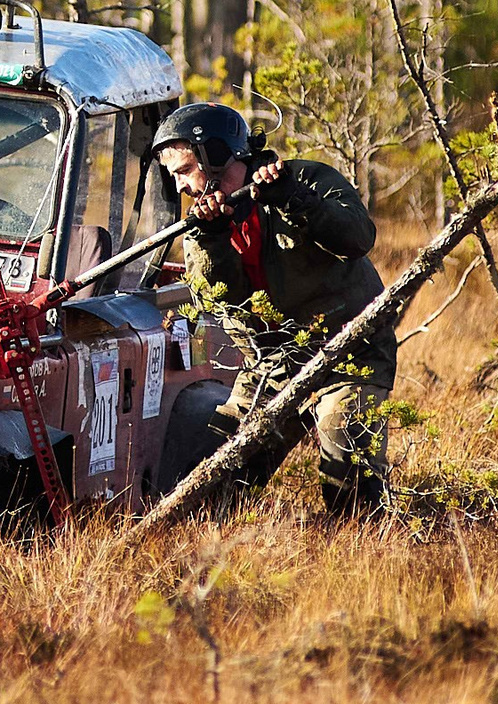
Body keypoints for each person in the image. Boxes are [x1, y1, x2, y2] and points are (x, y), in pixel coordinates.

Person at [152, 102, 393, 515]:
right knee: (211, 483)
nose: (180, 187)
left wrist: (294, 201)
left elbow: (358, 237)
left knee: (347, 477)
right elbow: (217, 297)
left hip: (349, 357)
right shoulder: (203, 222)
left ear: (215, 154)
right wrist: (211, 238)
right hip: (271, 365)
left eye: (184, 170)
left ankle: (363, 559)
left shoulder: (306, 179)